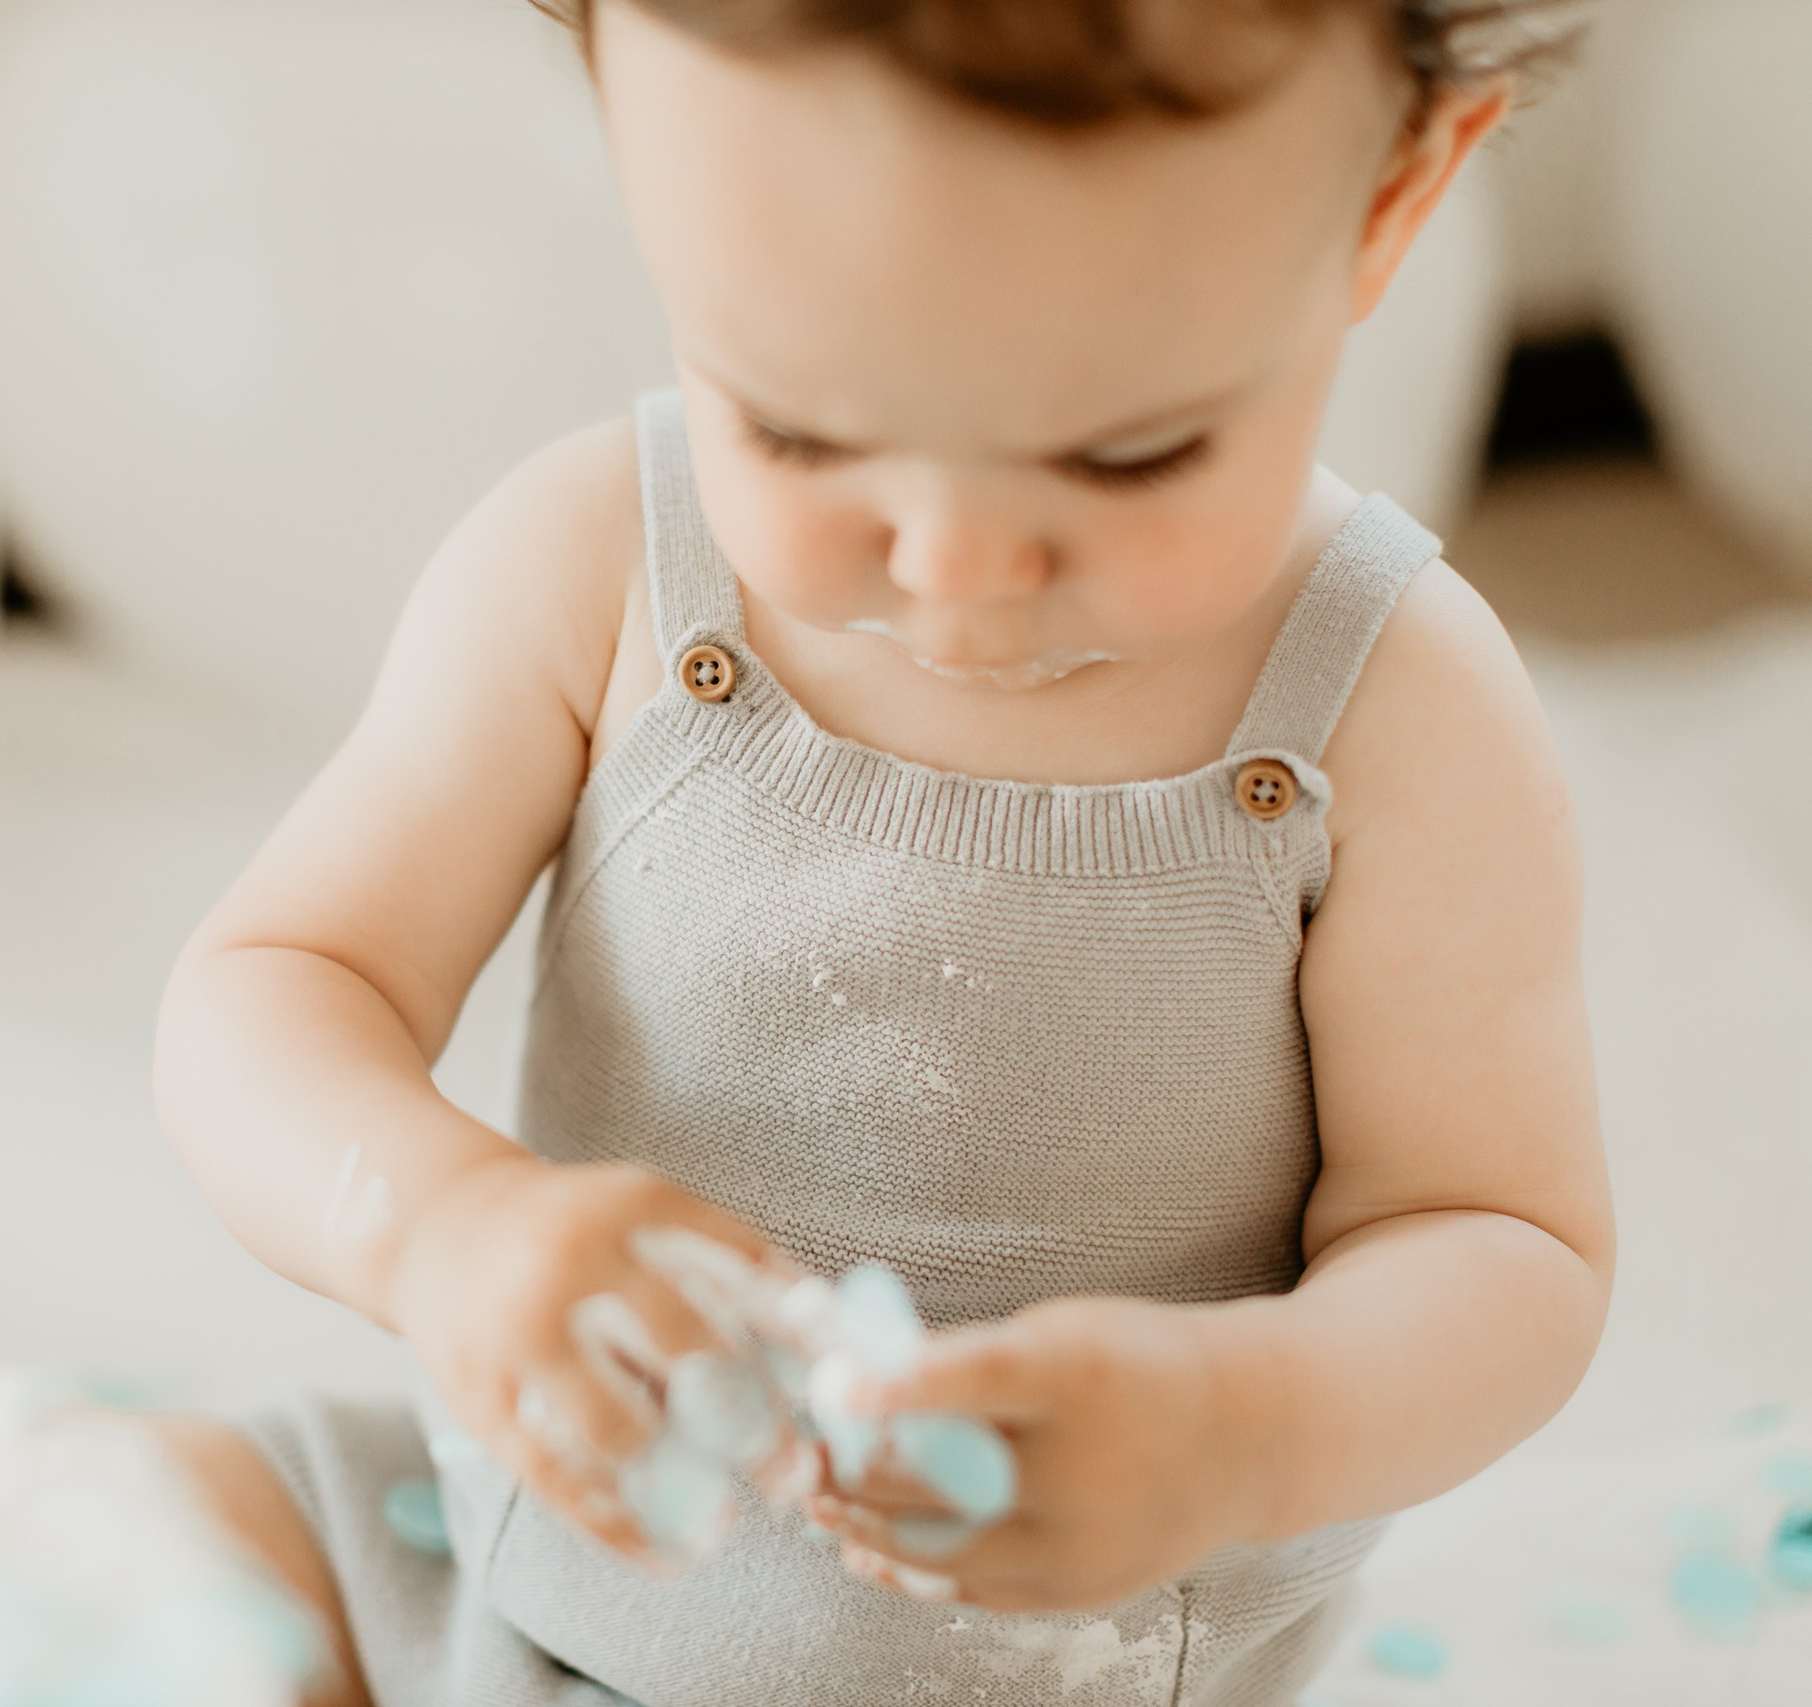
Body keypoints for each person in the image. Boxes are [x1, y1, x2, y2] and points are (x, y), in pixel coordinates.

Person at [152, 2, 1613, 1700]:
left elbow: (1501, 1246)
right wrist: (440, 1227)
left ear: (1393, 194)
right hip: (522, 1588)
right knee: (128, 1535)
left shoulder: (1393, 711)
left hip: (1065, 1668)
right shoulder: (595, 567)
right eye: (800, 429)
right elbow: (272, 987)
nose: (958, 567)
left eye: (1130, 451)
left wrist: (1243, 1427)